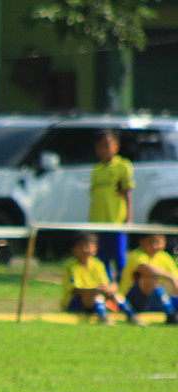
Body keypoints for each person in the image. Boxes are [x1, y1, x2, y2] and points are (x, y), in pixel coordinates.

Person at [62, 232, 143, 325]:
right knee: (97, 296)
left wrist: (110, 289)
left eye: (88, 246)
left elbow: (104, 284)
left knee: (114, 294)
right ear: (74, 249)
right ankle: (103, 318)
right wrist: (96, 290)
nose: (85, 249)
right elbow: (76, 290)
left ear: (95, 249)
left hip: (95, 299)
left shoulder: (98, 264)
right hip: (76, 302)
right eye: (81, 246)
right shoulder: (71, 266)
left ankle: (131, 315)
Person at [89, 129, 135, 282]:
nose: (103, 150)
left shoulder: (123, 166)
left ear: (116, 146)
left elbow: (127, 193)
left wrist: (128, 218)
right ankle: (107, 289)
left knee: (119, 258)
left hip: (116, 221)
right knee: (102, 258)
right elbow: (95, 196)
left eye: (106, 145)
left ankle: (123, 288)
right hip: (98, 222)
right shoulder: (96, 170)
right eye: (99, 146)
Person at [120, 233, 178, 324]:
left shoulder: (164, 257)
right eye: (151, 242)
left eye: (158, 242)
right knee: (148, 280)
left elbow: (175, 278)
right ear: (142, 242)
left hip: (156, 301)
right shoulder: (137, 255)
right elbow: (144, 269)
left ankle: (171, 312)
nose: (155, 246)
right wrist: (169, 277)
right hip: (132, 301)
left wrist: (173, 281)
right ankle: (170, 314)